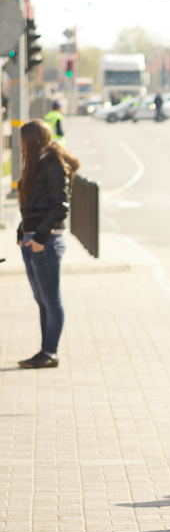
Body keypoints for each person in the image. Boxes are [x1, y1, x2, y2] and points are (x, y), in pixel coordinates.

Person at [16, 119, 79, 369]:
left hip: (46, 241)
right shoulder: (36, 162)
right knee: (41, 299)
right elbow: (32, 204)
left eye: (22, 139)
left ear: (32, 139)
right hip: (32, 239)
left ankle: (49, 353)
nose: (19, 144)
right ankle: (44, 351)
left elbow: (60, 206)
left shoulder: (53, 163)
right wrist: (23, 232)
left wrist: (40, 237)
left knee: (51, 300)